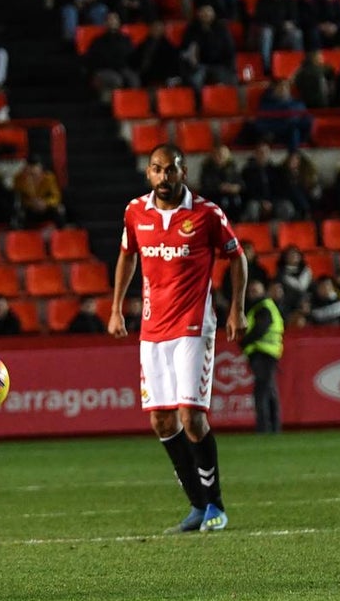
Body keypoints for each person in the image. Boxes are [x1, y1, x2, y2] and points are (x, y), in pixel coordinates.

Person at [108, 143, 246, 534]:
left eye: (171, 170)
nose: (163, 177)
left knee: (192, 418)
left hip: (193, 328)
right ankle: (197, 506)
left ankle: (215, 504)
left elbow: (237, 257)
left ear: (183, 173)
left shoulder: (206, 215)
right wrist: (116, 306)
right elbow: (127, 254)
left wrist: (237, 308)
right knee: (161, 421)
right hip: (152, 331)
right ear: (148, 173)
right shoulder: (136, 212)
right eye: (156, 169)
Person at [241, 279, 284, 434]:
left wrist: (244, 342)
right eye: (251, 290)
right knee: (269, 391)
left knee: (262, 392)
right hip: (269, 352)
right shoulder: (266, 306)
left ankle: (264, 427)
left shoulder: (262, 308)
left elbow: (260, 328)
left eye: (255, 290)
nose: (252, 293)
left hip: (262, 352)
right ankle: (274, 427)